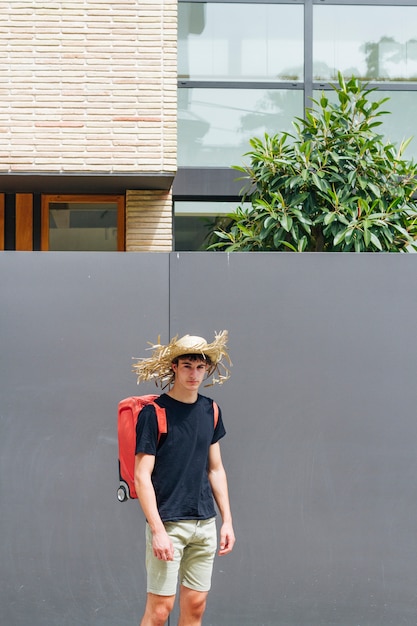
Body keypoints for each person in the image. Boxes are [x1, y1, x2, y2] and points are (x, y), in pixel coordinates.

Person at [132, 331, 235, 626]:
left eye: (200, 367)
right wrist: (158, 530)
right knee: (160, 610)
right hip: (169, 524)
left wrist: (226, 520)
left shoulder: (210, 410)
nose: (194, 374)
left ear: (208, 369)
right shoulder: (155, 413)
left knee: (196, 608)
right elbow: (142, 477)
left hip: (205, 524)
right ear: (174, 367)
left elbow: (215, 469)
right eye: (187, 366)